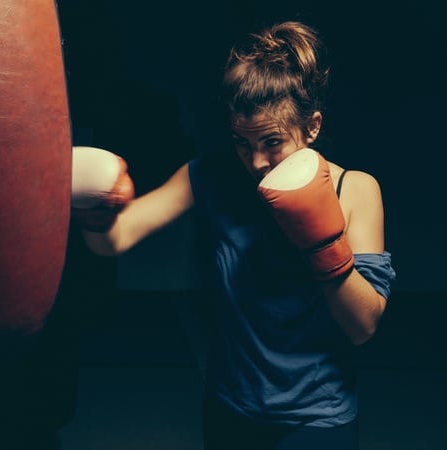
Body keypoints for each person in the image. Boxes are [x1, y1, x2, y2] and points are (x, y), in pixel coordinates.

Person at [70, 20, 396, 450]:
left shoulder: (353, 189)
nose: (257, 161)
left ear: (312, 127)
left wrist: (322, 245)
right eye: (242, 142)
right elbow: (115, 241)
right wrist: (97, 209)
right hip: (230, 407)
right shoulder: (210, 175)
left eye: (273, 142)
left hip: (317, 417)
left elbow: (363, 327)